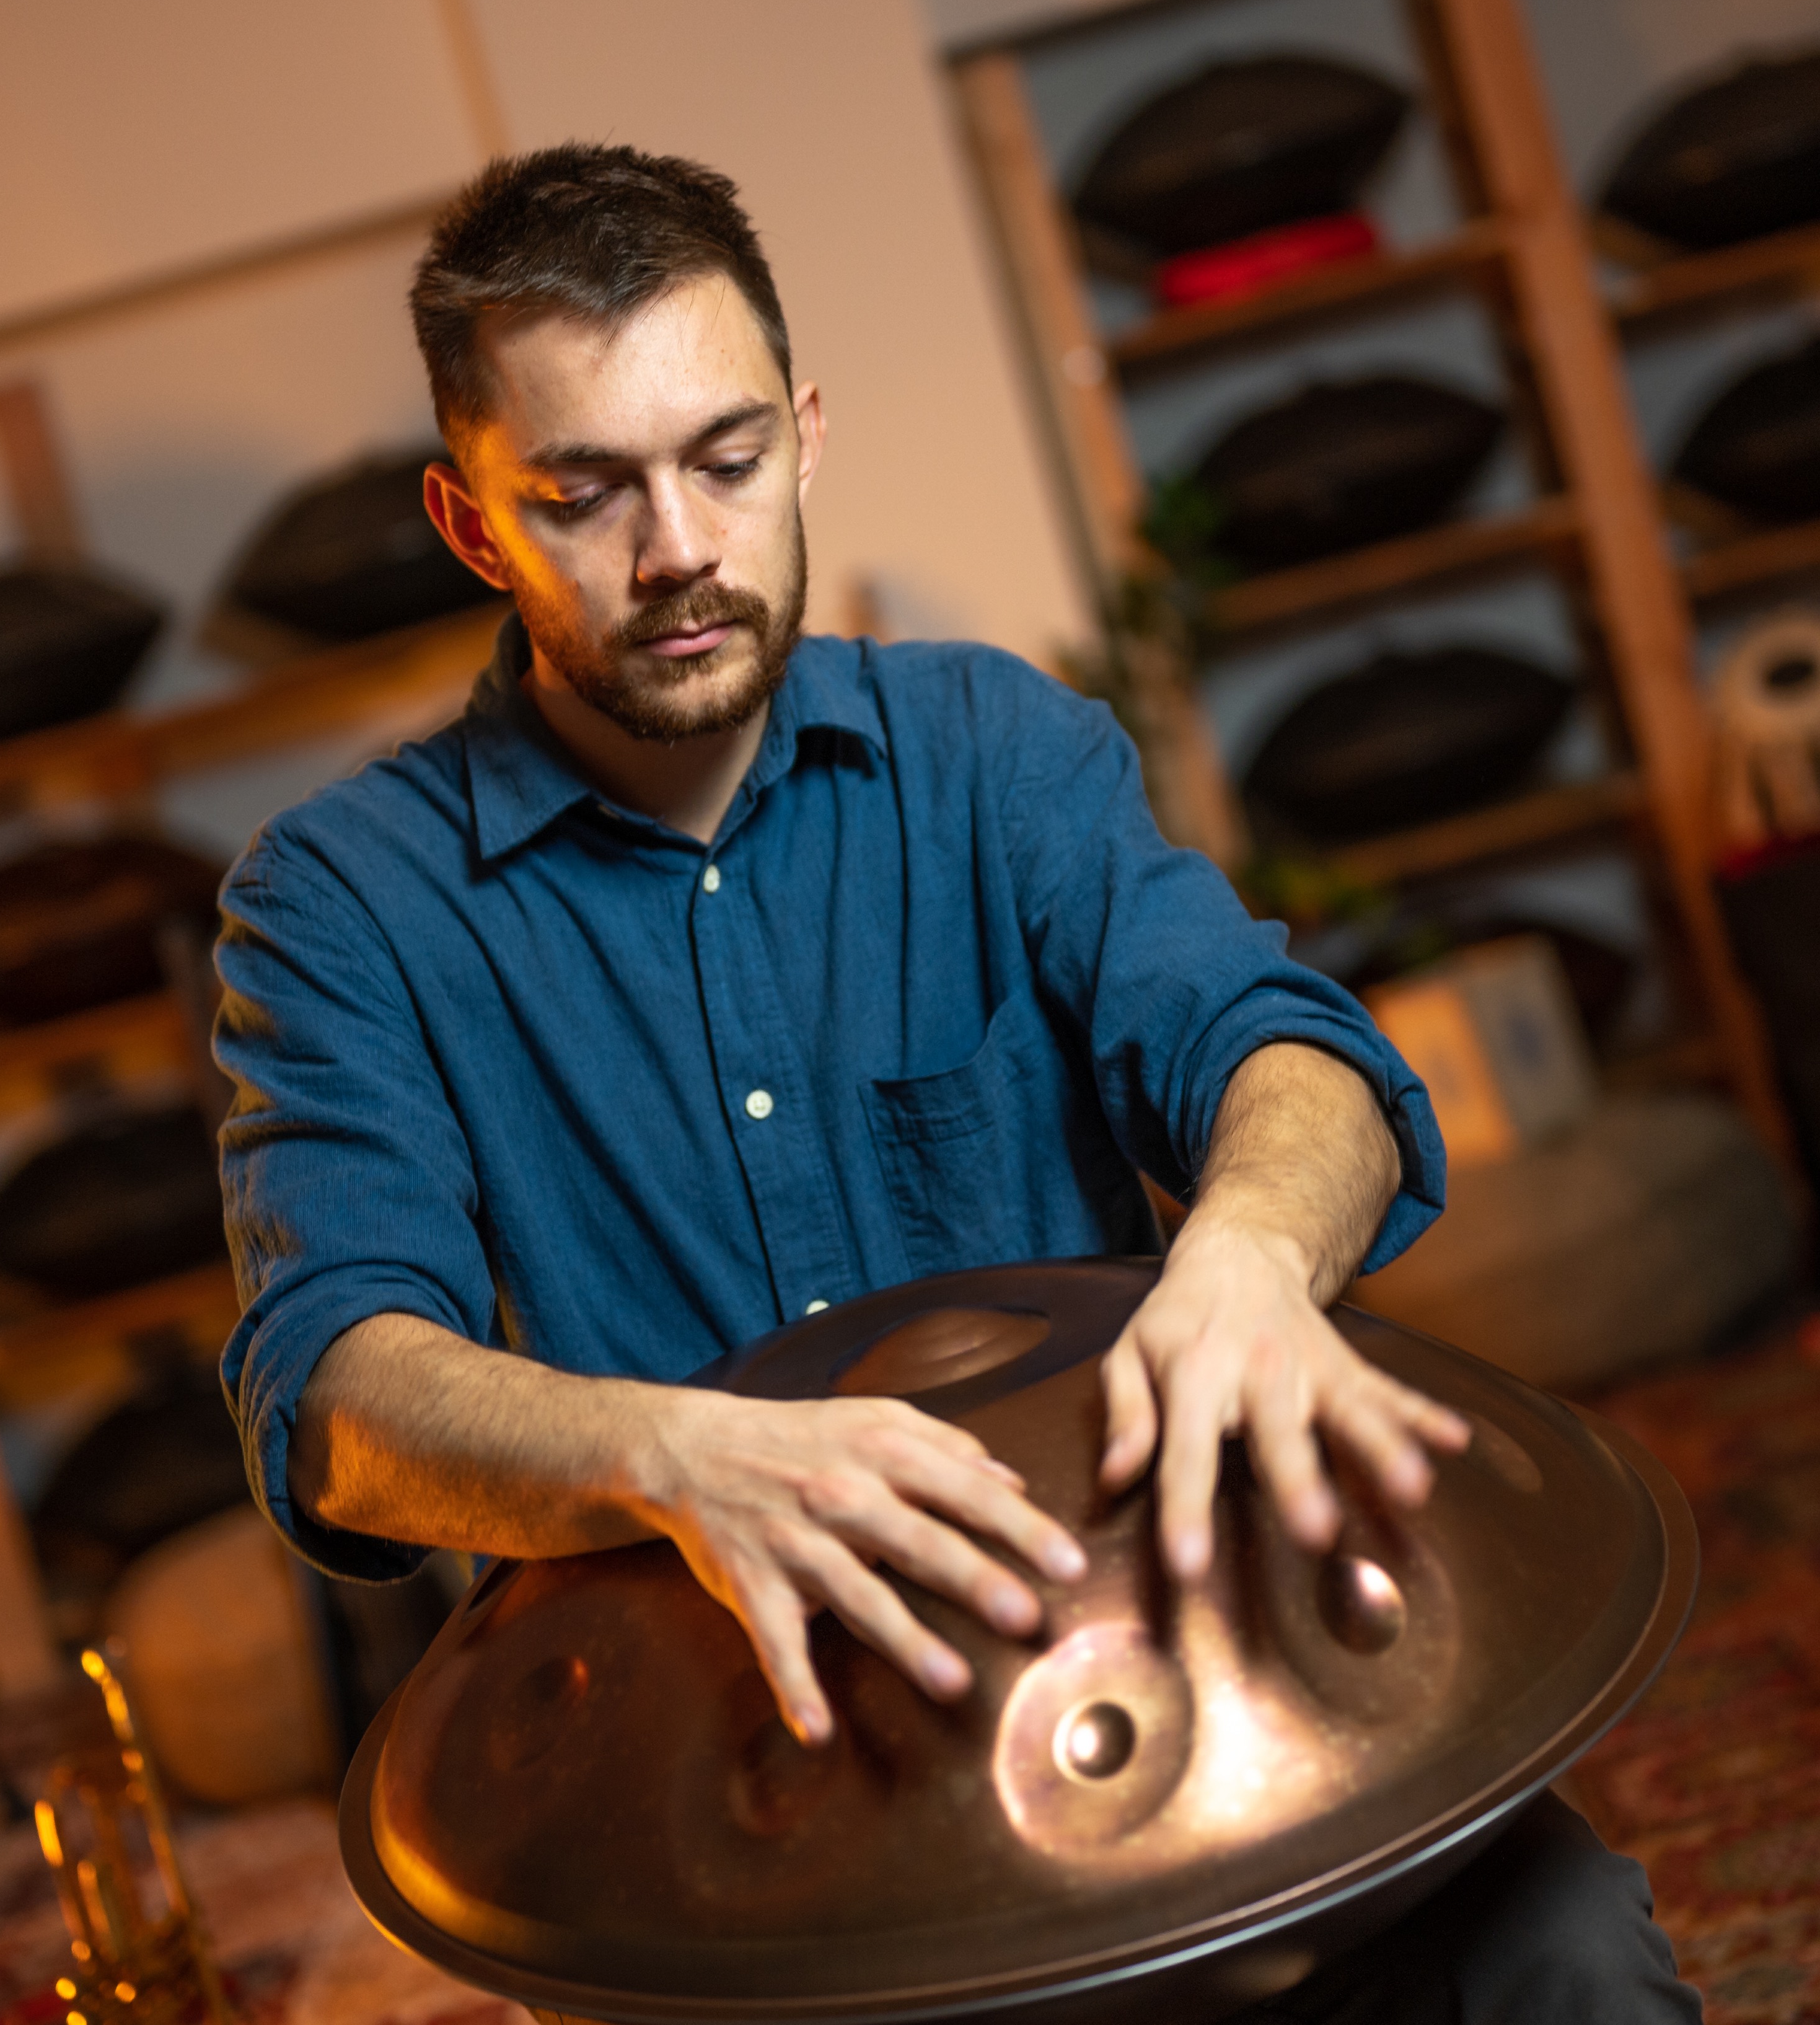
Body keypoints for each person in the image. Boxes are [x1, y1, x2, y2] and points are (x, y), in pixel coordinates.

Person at [213, 142, 1697, 2024]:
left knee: (1568, 1955)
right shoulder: (341, 902)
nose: (677, 548)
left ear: (806, 435)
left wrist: (1245, 1249)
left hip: (1145, 1673)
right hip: (739, 1804)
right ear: (469, 520)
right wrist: (668, 1455)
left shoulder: (994, 748)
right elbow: (332, 1386)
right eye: (584, 493)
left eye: (726, 460)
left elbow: (1280, 1049)